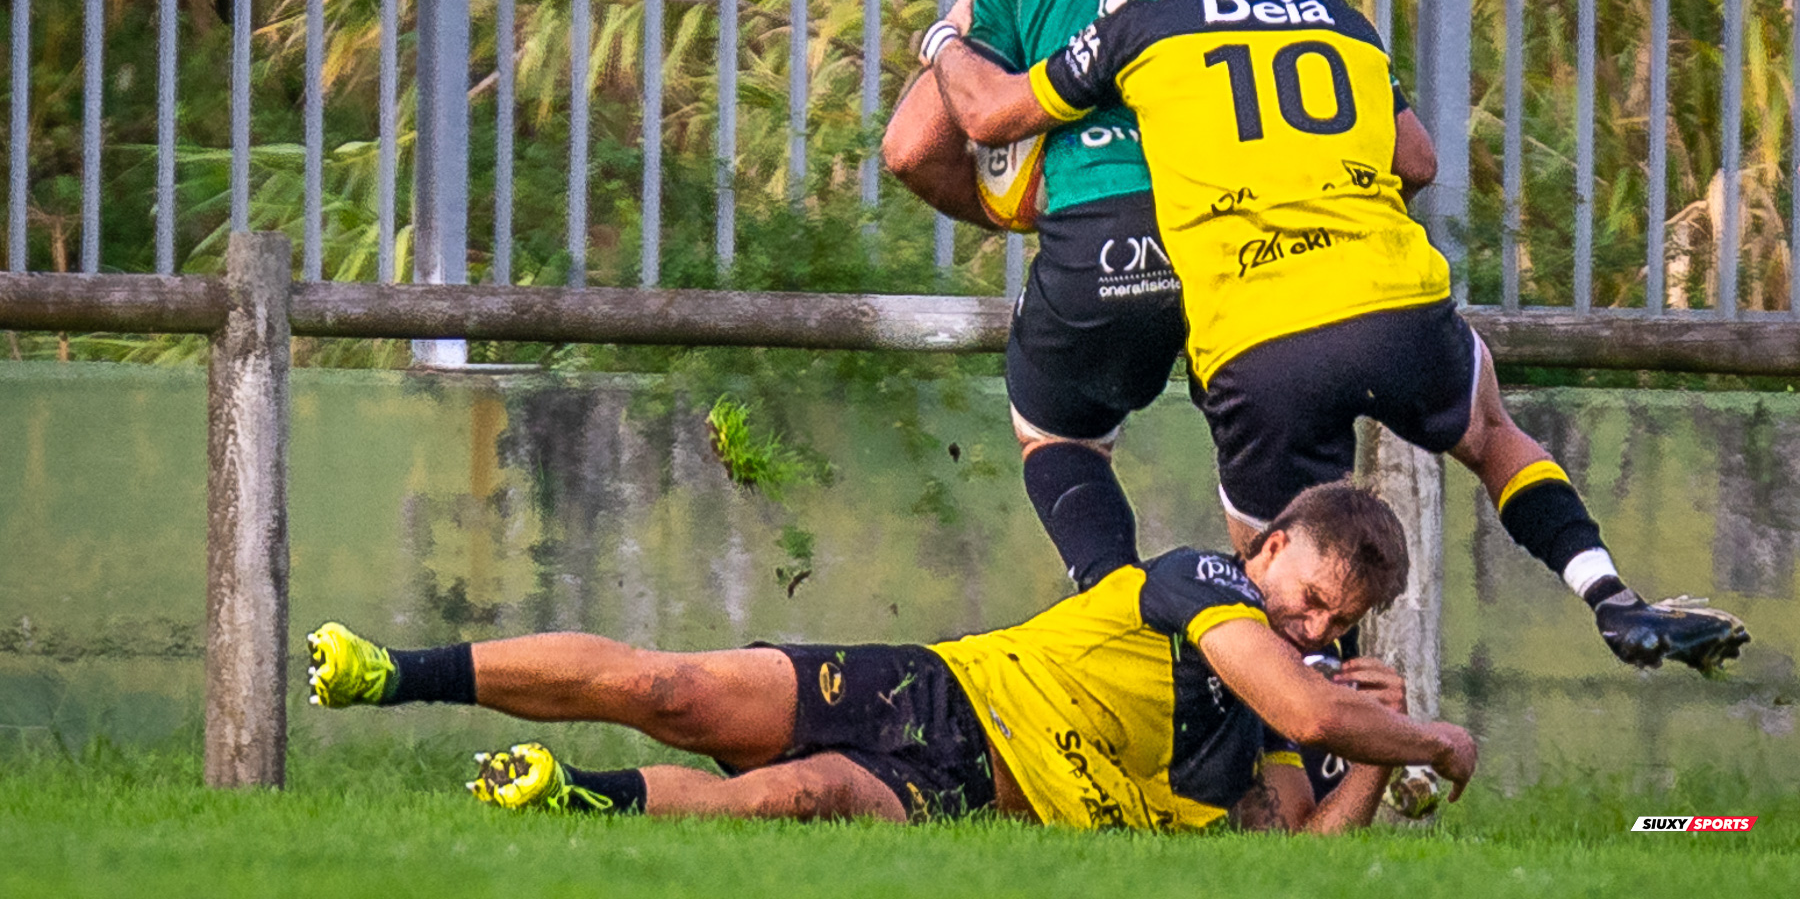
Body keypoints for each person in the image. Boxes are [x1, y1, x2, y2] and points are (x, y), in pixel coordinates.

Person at [923, 0, 1749, 676]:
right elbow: (1416, 160)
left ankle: (1289, 743)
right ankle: (1609, 593)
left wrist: (943, 44)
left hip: (1262, 338)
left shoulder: (1149, 26)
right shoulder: (1345, 24)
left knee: (1284, 583)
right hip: (1394, 303)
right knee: (1493, 436)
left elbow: (993, 114)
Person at [883, 0, 1436, 598]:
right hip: (1260, 252)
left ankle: (1116, 605)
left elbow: (909, 150)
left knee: (1055, 431)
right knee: (1281, 505)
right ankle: (1297, 671)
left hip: (1102, 241)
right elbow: (1410, 158)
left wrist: (1021, 206)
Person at [306, 481, 1477, 832]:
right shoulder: (1207, 580)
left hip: (984, 794)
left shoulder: (1282, 704)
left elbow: (1287, 857)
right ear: (1271, 550)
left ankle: (573, 802)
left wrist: (1376, 766)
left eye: (1336, 627)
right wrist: (1425, 736)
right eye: (1312, 600)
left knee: (799, 798)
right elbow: (1314, 715)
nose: (1315, 633)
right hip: (941, 687)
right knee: (676, 691)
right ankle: (391, 672)